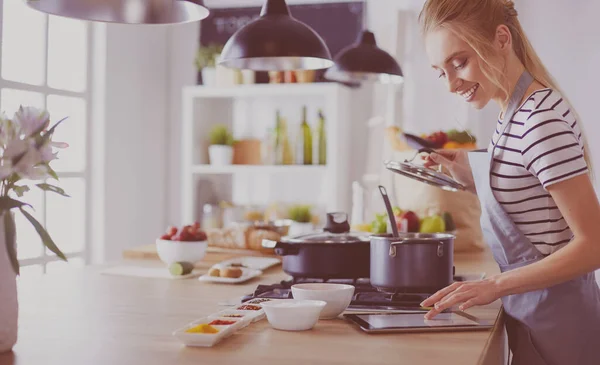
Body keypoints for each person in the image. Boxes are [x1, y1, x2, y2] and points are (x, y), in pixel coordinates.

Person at [416, 1, 600, 364]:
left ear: (502, 38)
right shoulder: (511, 114)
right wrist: (468, 177)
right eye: (441, 72)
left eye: (460, 62)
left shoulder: (539, 121)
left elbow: (594, 244)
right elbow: (534, 203)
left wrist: (493, 286)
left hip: (562, 325)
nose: (453, 84)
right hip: (538, 317)